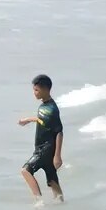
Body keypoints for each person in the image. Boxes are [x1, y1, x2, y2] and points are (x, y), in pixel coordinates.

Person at [18, 74, 64, 202]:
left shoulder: (52, 109)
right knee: (52, 180)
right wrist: (28, 120)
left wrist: (57, 155)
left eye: (36, 90)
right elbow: (41, 120)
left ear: (45, 89)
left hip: (45, 148)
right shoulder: (44, 106)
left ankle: (39, 201)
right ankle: (61, 204)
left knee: (26, 170)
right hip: (44, 147)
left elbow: (59, 132)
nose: (34, 93)